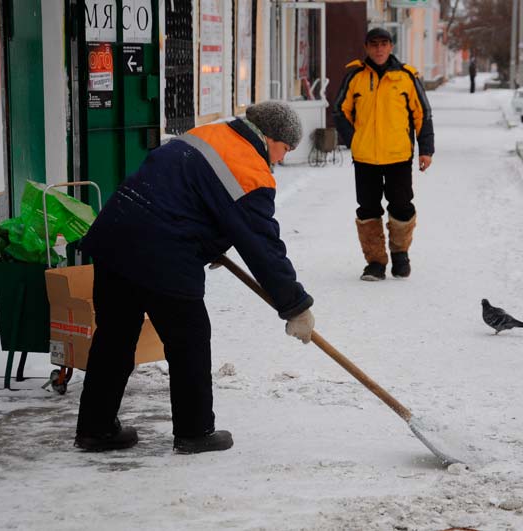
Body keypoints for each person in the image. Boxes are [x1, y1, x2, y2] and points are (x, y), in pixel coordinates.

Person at [74, 101, 315, 454]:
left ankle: (95, 428)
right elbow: (264, 248)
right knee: (189, 340)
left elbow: (182, 192)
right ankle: (195, 431)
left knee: (114, 338)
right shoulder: (249, 169)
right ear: (270, 137)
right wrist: (295, 305)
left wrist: (210, 241)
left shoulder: (208, 134)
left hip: (115, 239)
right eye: (285, 148)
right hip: (162, 254)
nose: (281, 158)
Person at [333, 27, 434, 281]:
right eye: (374, 44)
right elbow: (339, 110)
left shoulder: (406, 77)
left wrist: (426, 150)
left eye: (384, 44)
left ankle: (400, 255)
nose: (379, 49)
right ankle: (376, 262)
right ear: (367, 47)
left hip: (398, 155)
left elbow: (422, 113)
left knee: (401, 206)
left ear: (391, 47)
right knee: (367, 209)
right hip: (365, 157)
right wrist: (353, 140)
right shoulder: (355, 76)